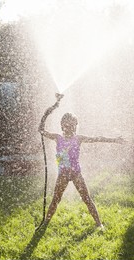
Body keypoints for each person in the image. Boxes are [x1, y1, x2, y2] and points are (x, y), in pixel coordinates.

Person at [38, 94, 123, 230]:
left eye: (72, 124)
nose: (70, 127)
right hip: (63, 175)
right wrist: (51, 109)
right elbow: (41, 130)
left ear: (75, 125)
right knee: (55, 200)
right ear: (62, 125)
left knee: (87, 199)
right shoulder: (57, 138)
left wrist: (114, 140)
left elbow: (97, 138)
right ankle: (44, 225)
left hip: (76, 174)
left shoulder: (78, 139)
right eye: (67, 124)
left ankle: (99, 224)